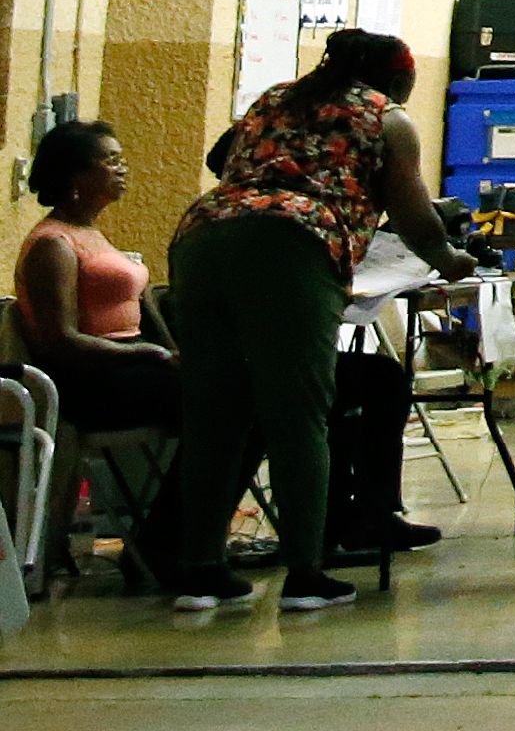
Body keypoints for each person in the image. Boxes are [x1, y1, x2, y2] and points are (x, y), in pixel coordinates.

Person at [164, 31, 480, 614]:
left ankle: (201, 571)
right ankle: (306, 573)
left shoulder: (275, 99)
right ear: (398, 79)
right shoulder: (387, 119)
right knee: (298, 411)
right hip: (292, 243)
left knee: (213, 412)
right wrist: (453, 261)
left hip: (202, 238)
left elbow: (221, 160)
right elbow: (415, 217)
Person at [11, 120, 184, 576]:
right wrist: (147, 354)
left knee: (230, 395)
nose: (122, 168)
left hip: (131, 367)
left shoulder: (93, 232)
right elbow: (60, 339)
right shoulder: (54, 244)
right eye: (109, 160)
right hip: (93, 380)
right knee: (226, 405)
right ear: (74, 176)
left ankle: (171, 535)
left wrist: (172, 350)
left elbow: (143, 309)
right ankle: (169, 540)